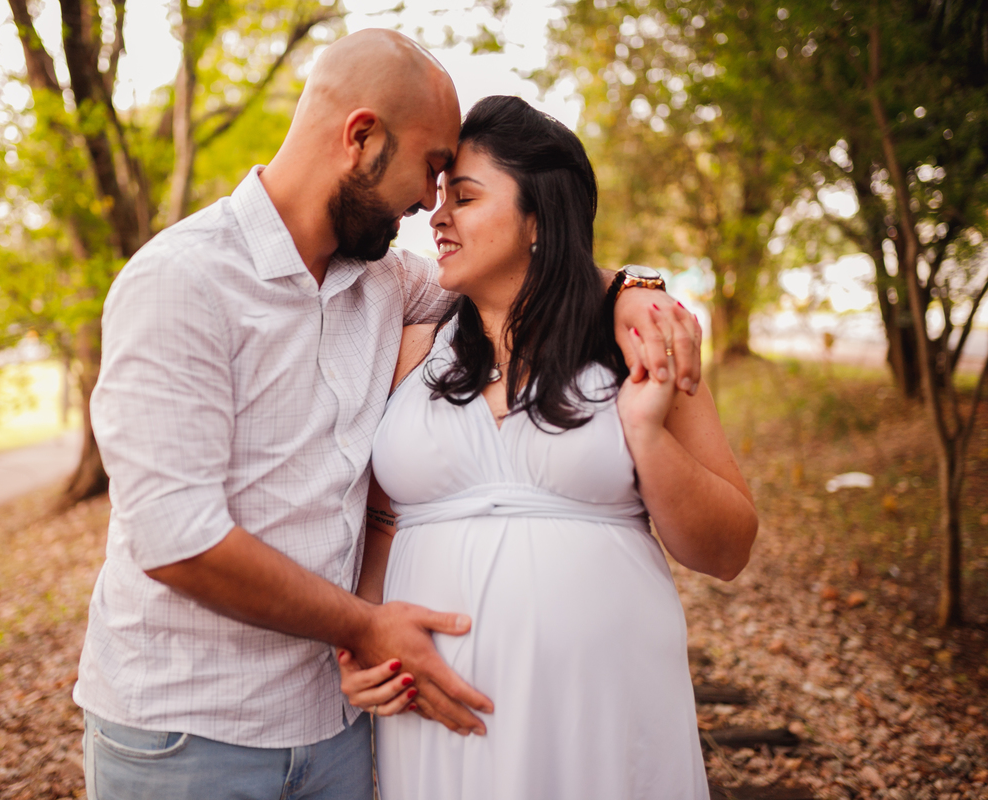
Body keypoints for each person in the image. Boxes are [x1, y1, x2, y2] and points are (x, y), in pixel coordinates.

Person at [74, 31, 704, 800]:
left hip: (335, 729)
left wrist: (632, 290)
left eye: (454, 185)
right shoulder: (181, 281)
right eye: (434, 167)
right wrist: (365, 627)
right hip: (190, 734)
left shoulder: (384, 280)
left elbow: (525, 272)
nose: (432, 201)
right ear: (362, 138)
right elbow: (177, 539)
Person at [337, 95, 758, 800]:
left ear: (538, 218)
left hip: (606, 707)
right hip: (442, 711)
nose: (436, 216)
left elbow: (727, 551)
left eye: (464, 197)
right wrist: (365, 635)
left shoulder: (638, 345)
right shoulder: (411, 349)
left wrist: (645, 433)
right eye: (439, 197)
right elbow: (383, 525)